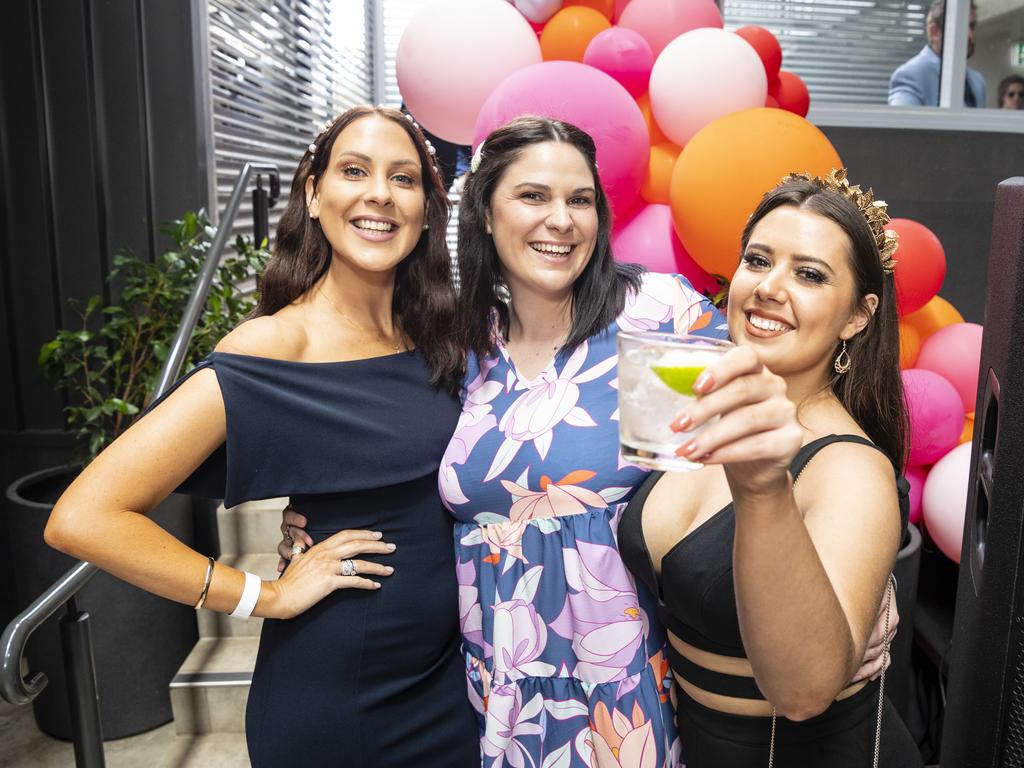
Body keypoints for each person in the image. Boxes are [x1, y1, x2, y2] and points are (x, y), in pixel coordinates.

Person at [281, 118, 899, 767]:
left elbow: (779, 369)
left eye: (580, 200)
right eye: (533, 197)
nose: (562, 220)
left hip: (622, 695)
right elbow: (425, 470)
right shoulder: (464, 348)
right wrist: (325, 515)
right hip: (492, 688)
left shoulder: (656, 317)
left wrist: (854, 538)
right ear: (486, 214)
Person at [43, 105, 479, 767]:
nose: (380, 195)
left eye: (404, 179)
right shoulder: (275, 346)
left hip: (448, 684)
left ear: (426, 208)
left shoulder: (435, 336)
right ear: (314, 192)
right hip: (340, 701)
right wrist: (262, 594)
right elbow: (84, 516)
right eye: (354, 171)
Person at [617, 170, 923, 766]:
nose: (769, 287)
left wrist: (764, 491)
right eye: (759, 261)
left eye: (809, 274)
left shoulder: (849, 469)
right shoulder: (697, 400)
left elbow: (805, 692)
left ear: (858, 317)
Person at [889, 0, 986, 107]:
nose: (970, 35)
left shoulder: (977, 81)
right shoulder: (911, 75)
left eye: (972, 26)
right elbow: (903, 122)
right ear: (934, 32)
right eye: (960, 26)